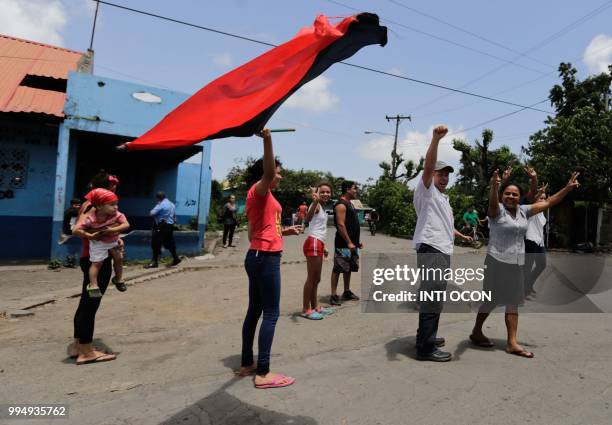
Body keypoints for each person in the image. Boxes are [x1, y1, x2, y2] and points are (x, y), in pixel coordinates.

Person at [469, 169, 580, 358]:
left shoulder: (524, 211)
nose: (511, 196)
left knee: (513, 302)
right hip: (495, 262)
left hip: (516, 264)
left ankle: (512, 342)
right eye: (507, 193)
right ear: (503, 196)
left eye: (515, 194)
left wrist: (567, 188)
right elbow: (493, 202)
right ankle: (477, 331)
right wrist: (495, 186)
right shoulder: (496, 212)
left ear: (520, 197)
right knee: (491, 300)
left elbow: (549, 202)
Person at [238, 128, 301, 389]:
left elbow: (257, 230)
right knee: (271, 313)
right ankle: (263, 372)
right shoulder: (259, 189)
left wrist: (283, 231)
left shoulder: (264, 197)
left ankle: (246, 364)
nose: (280, 175)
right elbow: (267, 171)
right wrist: (268, 139)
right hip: (265, 258)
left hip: (257, 254)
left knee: (255, 310)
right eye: (277, 170)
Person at [412, 125, 473, 362]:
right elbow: (428, 165)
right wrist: (436, 140)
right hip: (432, 249)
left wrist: (460, 235)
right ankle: (426, 348)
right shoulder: (426, 190)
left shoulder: (443, 198)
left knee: (435, 297)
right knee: (432, 298)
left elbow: (444, 224)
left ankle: (426, 336)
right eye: (440, 173)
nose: (444, 177)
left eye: (447, 174)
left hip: (441, 249)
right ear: (431, 175)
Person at [68, 170, 122, 365]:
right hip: (97, 260)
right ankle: (87, 351)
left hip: (88, 257)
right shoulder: (94, 206)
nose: (114, 190)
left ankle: (78, 345)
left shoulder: (87, 204)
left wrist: (113, 239)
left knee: (85, 303)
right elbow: (78, 230)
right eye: (112, 187)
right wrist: (93, 237)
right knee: (91, 305)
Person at [73, 189, 129, 298]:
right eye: (112, 205)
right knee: (97, 263)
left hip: (113, 241)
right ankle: (93, 284)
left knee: (119, 259)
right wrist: (89, 236)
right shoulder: (91, 218)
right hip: (99, 243)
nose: (116, 207)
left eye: (116, 204)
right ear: (99, 206)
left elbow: (126, 224)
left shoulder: (116, 215)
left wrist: (112, 230)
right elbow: (76, 230)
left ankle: (119, 279)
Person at [301, 183, 334, 320]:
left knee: (317, 278)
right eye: (323, 192)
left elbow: (319, 228)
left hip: (318, 242)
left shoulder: (322, 207)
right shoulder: (316, 205)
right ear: (317, 193)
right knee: (311, 278)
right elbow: (307, 219)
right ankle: (305, 309)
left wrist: (324, 246)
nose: (326, 194)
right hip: (313, 242)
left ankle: (315, 307)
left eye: (328, 192)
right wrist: (314, 202)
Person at [329, 180, 363, 306]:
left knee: (348, 267)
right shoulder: (341, 205)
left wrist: (357, 243)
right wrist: (349, 242)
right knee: (338, 268)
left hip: (352, 243)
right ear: (348, 189)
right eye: (355, 188)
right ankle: (333, 295)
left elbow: (352, 224)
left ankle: (346, 291)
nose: (356, 190)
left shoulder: (350, 204)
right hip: (343, 243)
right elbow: (341, 225)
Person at [145, 192, 181, 268]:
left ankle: (154, 262)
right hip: (170, 226)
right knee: (170, 243)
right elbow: (174, 216)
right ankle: (176, 258)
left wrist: (158, 206)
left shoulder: (161, 204)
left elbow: (151, 213)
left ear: (158, 198)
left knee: (155, 244)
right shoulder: (172, 204)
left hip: (161, 226)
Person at [524, 187, 548, 300]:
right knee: (527, 267)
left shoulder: (542, 212)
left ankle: (528, 285)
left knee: (542, 265)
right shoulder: (532, 209)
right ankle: (523, 291)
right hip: (530, 240)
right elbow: (532, 200)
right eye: (540, 198)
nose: (542, 200)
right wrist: (539, 193)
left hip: (539, 242)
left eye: (544, 198)